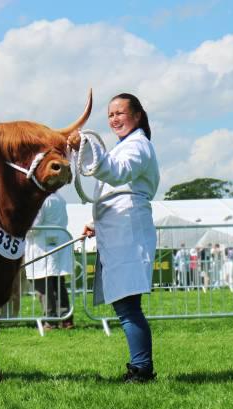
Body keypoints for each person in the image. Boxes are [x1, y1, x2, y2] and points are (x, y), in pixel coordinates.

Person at [69, 93, 159, 382]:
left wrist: (86, 144)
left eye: (120, 113)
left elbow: (118, 175)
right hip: (118, 227)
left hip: (128, 230)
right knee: (125, 304)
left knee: (127, 304)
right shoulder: (125, 146)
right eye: (110, 115)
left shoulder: (138, 146)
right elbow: (116, 190)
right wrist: (97, 223)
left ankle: (142, 368)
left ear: (137, 115)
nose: (114, 119)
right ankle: (140, 366)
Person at [24, 191, 74, 329]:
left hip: (42, 246)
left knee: (44, 284)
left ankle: (50, 320)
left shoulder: (41, 199)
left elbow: (34, 227)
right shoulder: (59, 198)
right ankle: (66, 319)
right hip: (57, 242)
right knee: (58, 283)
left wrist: (21, 228)